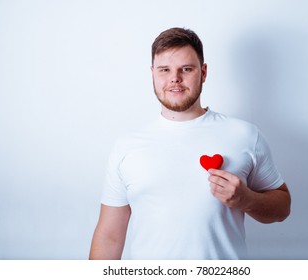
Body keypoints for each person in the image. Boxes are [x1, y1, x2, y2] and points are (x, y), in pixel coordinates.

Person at [89, 27, 291, 260]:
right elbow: (109, 236)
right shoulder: (126, 147)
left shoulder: (244, 135)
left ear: (203, 73)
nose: (175, 78)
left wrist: (247, 199)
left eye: (186, 69)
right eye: (165, 70)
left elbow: (282, 208)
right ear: (153, 73)